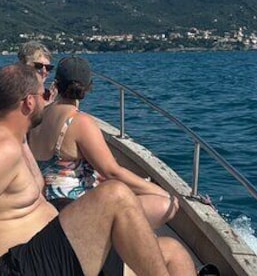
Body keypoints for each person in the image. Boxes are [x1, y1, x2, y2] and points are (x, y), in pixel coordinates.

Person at [0, 63, 194, 276]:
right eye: (44, 95)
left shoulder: (15, 139)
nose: (49, 99)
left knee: (172, 252)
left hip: (47, 254)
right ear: (28, 103)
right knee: (115, 195)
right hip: (21, 267)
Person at [27, 56, 178, 228]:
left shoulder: (40, 116)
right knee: (164, 206)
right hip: (73, 211)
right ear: (89, 87)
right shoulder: (79, 122)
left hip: (45, 205)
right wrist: (162, 193)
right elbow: (112, 172)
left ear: (56, 84)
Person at [0, 41, 53, 125]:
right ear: (24, 64)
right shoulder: (3, 88)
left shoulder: (49, 95)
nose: (44, 71)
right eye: (38, 66)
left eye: (48, 67)